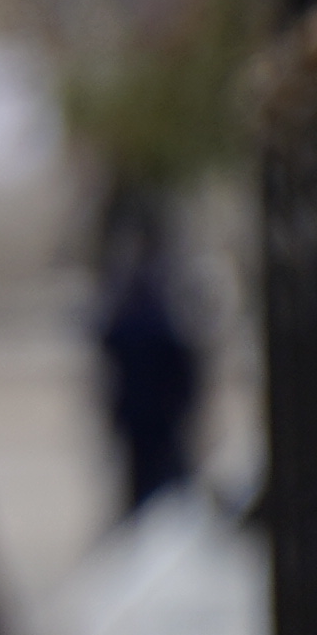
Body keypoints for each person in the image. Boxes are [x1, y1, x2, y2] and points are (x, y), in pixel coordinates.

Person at [89, 180, 207, 524]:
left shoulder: (150, 289)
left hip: (152, 414)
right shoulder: (147, 288)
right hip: (148, 414)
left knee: (159, 494)